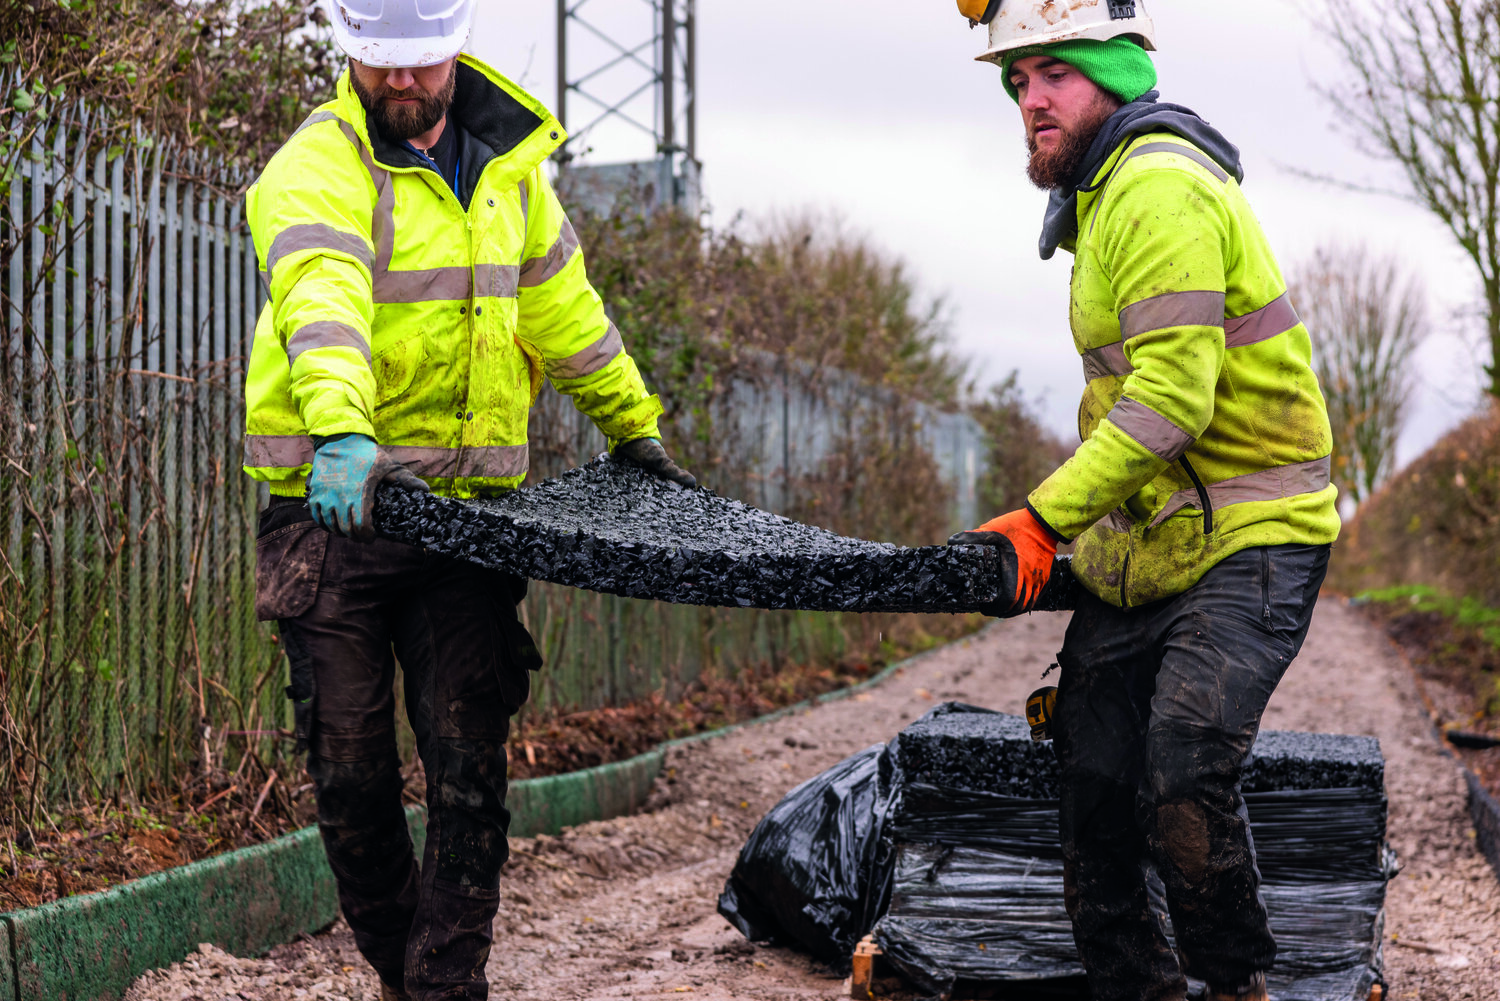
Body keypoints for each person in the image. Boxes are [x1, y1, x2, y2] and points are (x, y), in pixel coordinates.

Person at [241, 1, 695, 997]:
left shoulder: (512, 177)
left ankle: (447, 984)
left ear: (455, 50)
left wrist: (633, 426)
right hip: (335, 513)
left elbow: (570, 314)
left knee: (468, 767)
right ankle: (410, 971)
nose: (398, 85)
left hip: (465, 525)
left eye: (416, 68)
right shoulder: (314, 165)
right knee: (350, 771)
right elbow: (323, 296)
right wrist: (343, 426)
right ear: (351, 54)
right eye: (378, 68)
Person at [945, 3, 1340, 1000]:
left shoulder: (1155, 186)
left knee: (1185, 761)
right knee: (1094, 775)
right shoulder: (1105, 192)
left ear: (1112, 76)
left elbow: (1171, 394)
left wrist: (1040, 521)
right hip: (1157, 541)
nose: (1030, 99)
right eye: (1017, 81)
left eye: (1052, 76)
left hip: (1251, 531)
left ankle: (1233, 981)